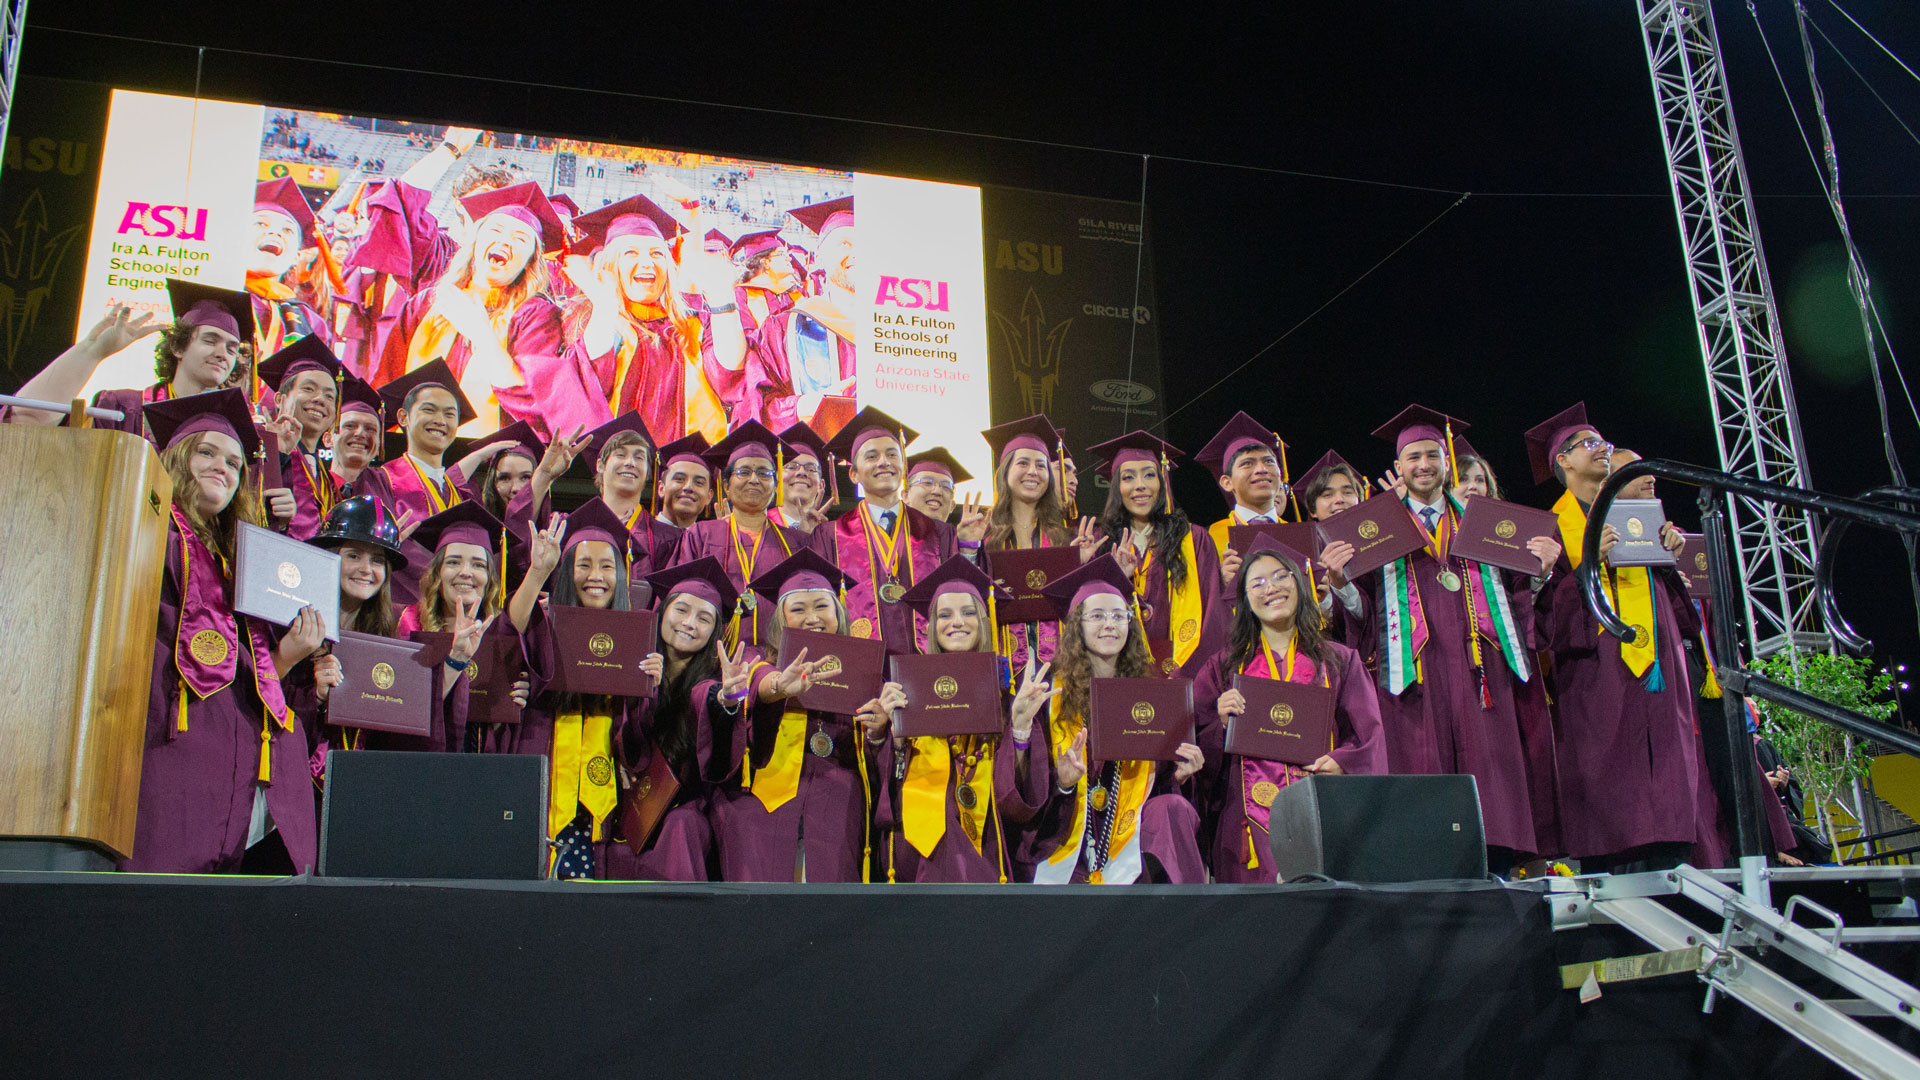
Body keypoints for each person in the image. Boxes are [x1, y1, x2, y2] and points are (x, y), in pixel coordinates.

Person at [1356, 405, 1560, 870]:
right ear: (1399, 468)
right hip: (1416, 673)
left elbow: (1515, 593)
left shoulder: (1484, 521)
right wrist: (1342, 584)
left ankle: (1499, 857)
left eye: (1432, 454)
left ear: (1447, 462)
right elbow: (1364, 610)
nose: (1423, 464)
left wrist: (1541, 574)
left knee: (1490, 770)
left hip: (1480, 670)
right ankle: (1426, 863)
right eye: (1412, 457)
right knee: (1422, 769)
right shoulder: (1378, 526)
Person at [125, 389, 316, 874]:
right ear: (176, 459)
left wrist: (289, 654)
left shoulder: (238, 562)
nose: (223, 468)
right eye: (207, 453)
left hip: (228, 748)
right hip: (164, 734)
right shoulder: (143, 530)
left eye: (234, 462)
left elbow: (249, 667)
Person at [1525, 404, 1702, 872]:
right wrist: (1585, 567)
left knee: (1666, 764)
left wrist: (1670, 555)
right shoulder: (1548, 528)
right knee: (1610, 774)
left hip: (1657, 665)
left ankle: (1675, 851)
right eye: (1588, 444)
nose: (1601, 449)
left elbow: (1679, 614)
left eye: (1603, 442)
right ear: (1562, 461)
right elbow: (1539, 622)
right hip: (1594, 669)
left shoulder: (1637, 517)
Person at [1194, 538, 1385, 881]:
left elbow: (1368, 735)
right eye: (1258, 583)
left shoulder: (1340, 660)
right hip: (1245, 831)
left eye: (1282, 577)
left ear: (1300, 586)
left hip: (1325, 810)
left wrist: (1342, 762)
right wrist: (1220, 725)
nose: (1272, 588)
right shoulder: (1222, 669)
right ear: (1246, 601)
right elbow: (1194, 749)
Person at [1017, 556, 1206, 884]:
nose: (1110, 624)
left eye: (1120, 615)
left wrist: (1181, 774)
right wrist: (1061, 782)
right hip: (1062, 835)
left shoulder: (1150, 696)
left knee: (1173, 807)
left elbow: (1158, 784)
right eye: (1098, 616)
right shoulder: (1048, 696)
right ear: (1077, 625)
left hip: (1127, 842)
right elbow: (1023, 789)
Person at [868, 556, 1050, 883]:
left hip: (987, 833)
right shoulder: (907, 692)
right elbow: (889, 787)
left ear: (983, 621)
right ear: (931, 626)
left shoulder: (1006, 699)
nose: (957, 622)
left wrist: (1020, 727)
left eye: (968, 613)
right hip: (918, 834)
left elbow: (1015, 797)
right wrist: (890, 738)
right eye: (945, 614)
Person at [704, 549, 871, 882]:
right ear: (781, 620)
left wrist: (878, 727)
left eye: (822, 606)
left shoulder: (862, 668)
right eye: (798, 609)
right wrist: (780, 686)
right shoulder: (756, 660)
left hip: (833, 792)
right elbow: (762, 684)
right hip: (764, 792)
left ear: (838, 610)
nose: (812, 617)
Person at [291, 497, 467, 810]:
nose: (366, 569)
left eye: (377, 561)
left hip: (360, 794)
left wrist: (454, 662)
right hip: (296, 792)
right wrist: (314, 697)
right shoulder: (297, 625)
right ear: (329, 558)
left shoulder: (387, 638)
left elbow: (400, 731)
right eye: (354, 555)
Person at [506, 501, 643, 879]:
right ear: (566, 572)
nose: (595, 576)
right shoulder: (543, 619)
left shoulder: (632, 637)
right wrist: (537, 572)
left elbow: (636, 724)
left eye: (606, 566)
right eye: (583, 565)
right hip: (545, 765)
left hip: (599, 785)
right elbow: (512, 628)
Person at [375, 181, 566, 434]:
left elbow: (535, 404)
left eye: (520, 238)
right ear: (475, 243)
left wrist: (479, 332)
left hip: (487, 457)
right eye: (495, 230)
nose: (505, 241)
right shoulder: (429, 302)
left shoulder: (536, 316)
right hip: (410, 449)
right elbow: (388, 378)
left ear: (530, 261)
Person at [601, 558, 743, 881]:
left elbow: (708, 702)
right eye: (681, 610)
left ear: (715, 632)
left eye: (704, 618)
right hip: (635, 812)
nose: (690, 623)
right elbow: (630, 751)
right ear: (662, 611)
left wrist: (726, 702)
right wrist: (646, 695)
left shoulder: (708, 682)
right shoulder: (633, 667)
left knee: (682, 828)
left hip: (683, 815)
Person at [553, 194, 731, 443]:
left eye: (657, 253)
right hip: (618, 466)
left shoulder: (687, 324)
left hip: (684, 465)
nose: (647, 262)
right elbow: (590, 382)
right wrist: (604, 303)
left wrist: (693, 210)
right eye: (630, 253)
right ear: (610, 265)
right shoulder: (588, 319)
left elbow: (729, 376)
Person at [810, 407, 986, 655]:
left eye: (892, 455)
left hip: (929, 669)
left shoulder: (940, 533)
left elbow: (963, 599)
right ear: (853, 473)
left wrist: (969, 550)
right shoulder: (829, 535)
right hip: (860, 668)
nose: (884, 462)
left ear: (903, 467)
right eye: (871, 456)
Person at [6, 282, 248, 435]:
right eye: (209, 340)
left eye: (231, 348)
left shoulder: (229, 429)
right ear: (178, 347)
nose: (222, 353)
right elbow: (26, 423)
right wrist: (93, 351)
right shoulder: (122, 408)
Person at [1085, 429, 1224, 677]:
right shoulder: (1101, 542)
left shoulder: (1193, 539)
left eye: (1149, 475)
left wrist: (1191, 676)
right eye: (1128, 478)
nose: (1140, 486)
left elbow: (1213, 614)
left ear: (1162, 482)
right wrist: (1115, 576)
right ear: (1117, 487)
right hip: (1117, 673)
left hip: (1184, 675)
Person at [670, 421, 807, 649]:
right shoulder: (700, 535)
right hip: (712, 663)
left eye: (764, 473)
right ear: (726, 486)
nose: (754, 479)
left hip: (780, 664)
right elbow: (678, 601)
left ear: (775, 486)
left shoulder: (796, 542)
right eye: (744, 472)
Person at [741, 197, 857, 429]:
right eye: (844, 243)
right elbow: (758, 406)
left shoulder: (905, 328)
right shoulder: (784, 329)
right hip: (815, 459)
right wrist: (804, 407)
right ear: (820, 257)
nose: (857, 252)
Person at [982, 415, 1070, 674]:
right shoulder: (985, 537)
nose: (1033, 471)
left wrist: (1082, 564)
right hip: (1003, 665)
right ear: (1005, 471)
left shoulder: (1064, 538)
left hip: (1059, 667)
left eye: (1041, 465)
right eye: (1023, 463)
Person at [376, 360, 496, 530]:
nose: (440, 421)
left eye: (449, 414)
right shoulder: (382, 481)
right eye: (429, 410)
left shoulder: (464, 495)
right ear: (403, 417)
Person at [282, 372, 395, 542]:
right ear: (328, 439)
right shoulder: (308, 482)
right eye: (350, 426)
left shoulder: (390, 490)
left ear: (379, 445)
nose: (360, 434)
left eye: (371, 429)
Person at [248, 178, 334, 357]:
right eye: (260, 224)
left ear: (296, 256)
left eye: (287, 230)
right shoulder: (211, 296)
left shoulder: (310, 322)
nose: (275, 233)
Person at [1196, 411, 1293, 557]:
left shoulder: (1298, 534)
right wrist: (1219, 579)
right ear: (1227, 482)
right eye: (1247, 464)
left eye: (1269, 461)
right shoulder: (1208, 539)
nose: (1262, 469)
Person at [771, 420, 830, 533]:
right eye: (792, 467)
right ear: (775, 482)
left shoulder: (833, 537)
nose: (801, 472)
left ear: (821, 485)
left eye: (811, 468)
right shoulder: (757, 530)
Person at [654, 433, 715, 531]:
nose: (688, 487)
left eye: (699, 482)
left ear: (709, 497)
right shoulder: (636, 537)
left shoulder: (711, 544)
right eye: (679, 479)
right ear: (661, 488)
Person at [903, 447, 970, 523]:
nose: (937, 491)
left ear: (952, 505)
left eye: (946, 486)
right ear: (906, 496)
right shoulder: (889, 533)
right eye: (927, 483)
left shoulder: (961, 534)